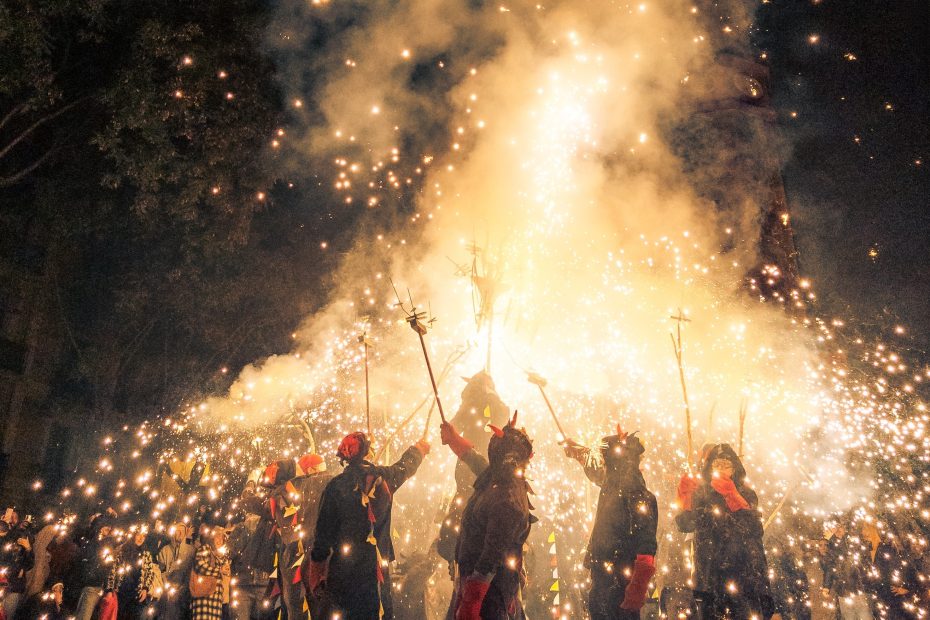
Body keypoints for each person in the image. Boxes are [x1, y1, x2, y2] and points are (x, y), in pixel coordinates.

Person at [305, 431, 429, 620]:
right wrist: (418, 450)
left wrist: (316, 571)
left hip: (343, 571)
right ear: (366, 451)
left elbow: (322, 536)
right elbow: (405, 466)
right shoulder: (385, 478)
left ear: (343, 455)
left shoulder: (335, 486)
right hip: (376, 569)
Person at [445, 411, 535, 620]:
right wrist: (454, 439)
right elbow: (476, 461)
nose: (492, 442)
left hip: (490, 597)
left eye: (497, 441)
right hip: (477, 585)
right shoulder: (498, 478)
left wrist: (471, 603)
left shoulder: (507, 498)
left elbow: (491, 556)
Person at [563, 428, 658, 619]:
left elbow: (647, 546)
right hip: (604, 577)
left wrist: (637, 588)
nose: (604, 465)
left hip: (621, 582)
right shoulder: (614, 484)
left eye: (606, 460)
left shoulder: (638, 495)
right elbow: (598, 473)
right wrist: (581, 454)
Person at [676, 443, 773, 619]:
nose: (721, 469)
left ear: (735, 469)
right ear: (710, 467)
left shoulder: (746, 493)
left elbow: (755, 530)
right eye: (717, 464)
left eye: (726, 465)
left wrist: (734, 498)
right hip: (708, 575)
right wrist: (687, 501)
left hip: (741, 574)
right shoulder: (702, 493)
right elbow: (687, 525)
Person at [262, 453, 330, 620]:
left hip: (295, 554)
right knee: (322, 606)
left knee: (296, 606)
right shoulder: (332, 484)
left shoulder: (284, 491)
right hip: (324, 553)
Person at [227, 478, 276, 620]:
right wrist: (244, 533)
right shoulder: (240, 528)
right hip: (242, 583)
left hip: (262, 583)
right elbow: (230, 551)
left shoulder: (268, 528)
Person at [107, 526, 160, 620]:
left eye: (143, 536)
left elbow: (150, 572)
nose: (141, 538)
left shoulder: (146, 554)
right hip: (121, 592)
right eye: (139, 535)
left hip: (136, 594)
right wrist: (110, 590)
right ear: (134, 535)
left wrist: (145, 589)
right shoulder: (123, 550)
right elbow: (113, 570)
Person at [73, 514, 116, 620]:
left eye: (109, 530)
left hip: (94, 586)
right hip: (82, 585)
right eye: (105, 529)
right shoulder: (90, 542)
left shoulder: (106, 545)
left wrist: (109, 589)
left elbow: (110, 568)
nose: (107, 533)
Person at [0, 508, 35, 620]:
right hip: (2, 582)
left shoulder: (23, 537)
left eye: (14, 518)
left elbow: (29, 564)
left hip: (14, 585)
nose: (11, 520)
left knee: (7, 615)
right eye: (9, 516)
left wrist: (28, 548)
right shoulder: (3, 536)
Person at [190, 526, 230, 620]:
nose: (219, 540)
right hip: (203, 598)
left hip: (216, 600)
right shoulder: (205, 549)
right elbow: (199, 566)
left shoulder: (223, 557)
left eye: (221, 537)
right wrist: (219, 570)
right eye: (217, 536)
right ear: (212, 538)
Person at [157, 522, 195, 620]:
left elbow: (191, 573)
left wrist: (182, 589)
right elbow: (160, 571)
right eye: (177, 531)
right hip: (166, 594)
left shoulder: (191, 551)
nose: (180, 534)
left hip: (183, 594)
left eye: (182, 532)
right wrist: (167, 586)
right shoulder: (165, 550)